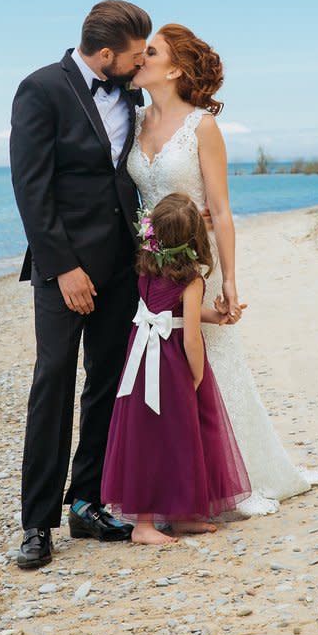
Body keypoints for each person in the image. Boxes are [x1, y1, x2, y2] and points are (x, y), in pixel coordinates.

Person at [126, 24, 318, 517]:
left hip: (200, 264)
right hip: (153, 264)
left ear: (175, 68)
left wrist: (232, 281)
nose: (139, 57)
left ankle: (239, 478)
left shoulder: (202, 126)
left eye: (150, 51)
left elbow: (219, 209)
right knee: (166, 365)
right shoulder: (132, 122)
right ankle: (186, 478)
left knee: (213, 365)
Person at [9, 0, 152, 569]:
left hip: (123, 264)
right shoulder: (40, 89)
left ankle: (86, 503)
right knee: (54, 384)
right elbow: (31, 187)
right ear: (106, 53)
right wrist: (62, 267)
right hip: (65, 267)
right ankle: (36, 523)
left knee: (106, 384)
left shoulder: (130, 91)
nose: (141, 65)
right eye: (136, 55)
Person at [101, 193, 251, 544]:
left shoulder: (147, 268)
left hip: (140, 363)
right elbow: (191, 338)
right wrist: (196, 373)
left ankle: (181, 516)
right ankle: (143, 526)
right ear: (196, 239)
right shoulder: (192, 280)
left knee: (154, 437)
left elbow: (178, 315)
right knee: (175, 437)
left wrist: (219, 316)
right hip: (168, 364)